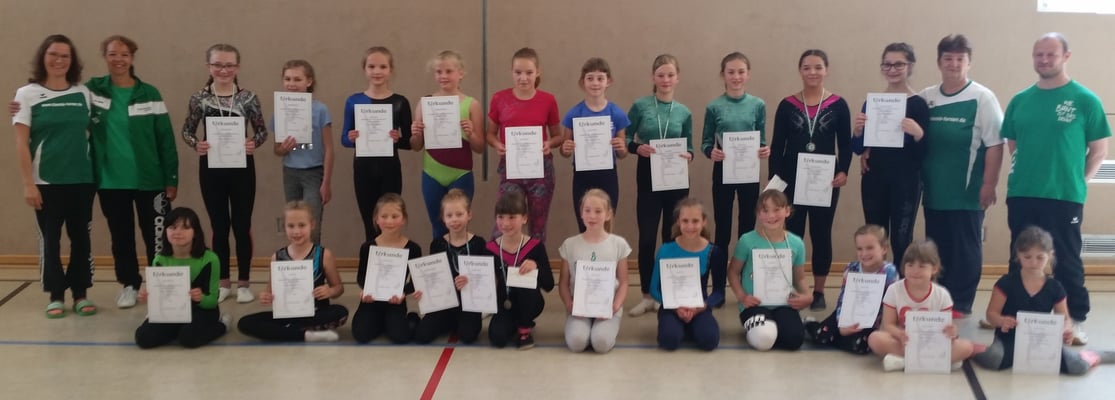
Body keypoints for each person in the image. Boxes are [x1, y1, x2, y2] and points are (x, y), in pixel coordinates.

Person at [9, 35, 179, 310]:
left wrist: (171, 177)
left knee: (157, 237)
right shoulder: (92, 91)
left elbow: (166, 138)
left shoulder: (148, 93)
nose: (119, 59)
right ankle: (129, 285)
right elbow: (51, 103)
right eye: (112, 54)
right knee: (121, 238)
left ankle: (162, 287)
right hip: (110, 181)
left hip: (150, 180)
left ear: (132, 58)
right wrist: (17, 106)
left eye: (124, 54)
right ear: (105, 57)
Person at [1000, 32, 1110, 345]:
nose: (1044, 60)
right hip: (1022, 193)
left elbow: (1099, 151)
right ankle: (1014, 317)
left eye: (1051, 54)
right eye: (1039, 55)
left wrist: (1079, 181)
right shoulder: (1020, 100)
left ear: (1066, 56)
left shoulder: (1085, 100)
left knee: (1066, 259)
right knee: (1019, 257)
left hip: (1064, 196)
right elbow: (1012, 141)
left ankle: (1073, 321)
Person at [918, 34, 1004, 318]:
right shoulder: (926, 97)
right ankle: (939, 300)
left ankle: (961, 304)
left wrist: (989, 184)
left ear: (969, 63)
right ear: (939, 62)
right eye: (948, 58)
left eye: (960, 59)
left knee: (965, 249)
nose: (954, 64)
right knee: (937, 248)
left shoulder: (982, 97)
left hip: (967, 192)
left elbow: (995, 144)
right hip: (933, 191)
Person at [13, 34, 97, 318]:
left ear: (72, 61)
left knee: (81, 239)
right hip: (45, 182)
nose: (59, 60)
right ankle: (56, 294)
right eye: (54, 54)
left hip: (82, 180)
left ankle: (81, 293)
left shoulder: (83, 93)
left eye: (65, 56)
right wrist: (28, 184)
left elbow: (90, 133)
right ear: (43, 57)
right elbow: (21, 143)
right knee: (51, 240)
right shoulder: (26, 94)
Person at [181, 43, 268, 304]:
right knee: (219, 227)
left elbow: (262, 131)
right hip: (211, 169)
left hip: (242, 169)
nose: (223, 70)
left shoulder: (248, 98)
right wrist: (197, 144)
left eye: (229, 65)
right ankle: (223, 282)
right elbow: (187, 130)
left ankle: (244, 283)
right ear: (209, 66)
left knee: (242, 226)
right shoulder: (199, 99)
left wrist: (253, 143)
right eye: (218, 64)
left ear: (237, 67)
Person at [770, 49, 852, 311]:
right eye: (807, 67)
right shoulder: (787, 105)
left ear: (826, 70)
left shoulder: (839, 104)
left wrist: (844, 171)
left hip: (824, 182)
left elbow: (846, 144)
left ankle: (818, 291)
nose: (812, 72)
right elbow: (777, 146)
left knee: (821, 233)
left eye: (818, 67)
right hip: (791, 181)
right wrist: (774, 184)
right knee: (791, 235)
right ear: (800, 71)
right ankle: (792, 287)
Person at [974, 227, 1115, 375]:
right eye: (1027, 257)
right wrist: (1001, 321)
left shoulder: (1055, 287)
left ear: (1050, 255)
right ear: (1018, 255)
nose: (1033, 262)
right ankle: (971, 348)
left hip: (1043, 341)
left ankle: (1094, 355)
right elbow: (991, 314)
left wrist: (1066, 330)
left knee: (1077, 366)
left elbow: (1065, 318)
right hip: (1009, 339)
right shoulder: (1006, 283)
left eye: (1040, 257)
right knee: (994, 359)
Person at [701, 52, 770, 308]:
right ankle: (718, 288)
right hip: (723, 172)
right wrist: (711, 152)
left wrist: (764, 150)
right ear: (723, 75)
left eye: (741, 72)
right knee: (722, 230)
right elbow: (705, 143)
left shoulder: (758, 105)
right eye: (731, 72)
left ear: (748, 74)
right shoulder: (714, 107)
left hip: (749, 173)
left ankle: (745, 287)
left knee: (747, 231)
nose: (736, 77)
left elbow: (761, 139)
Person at [627, 54, 695, 317]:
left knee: (672, 238)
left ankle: (667, 293)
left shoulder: (684, 112)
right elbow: (624, 138)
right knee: (647, 239)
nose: (665, 80)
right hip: (648, 177)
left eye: (670, 75)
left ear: (677, 78)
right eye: (660, 75)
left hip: (676, 179)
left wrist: (689, 154)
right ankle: (646, 294)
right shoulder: (640, 106)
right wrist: (637, 148)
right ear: (653, 78)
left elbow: (690, 146)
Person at [852, 43, 930, 268]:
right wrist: (858, 132)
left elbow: (925, 153)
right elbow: (858, 148)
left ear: (910, 66)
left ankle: (901, 286)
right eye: (887, 64)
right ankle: (875, 284)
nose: (892, 69)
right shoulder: (873, 103)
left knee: (901, 238)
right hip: (874, 178)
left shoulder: (918, 105)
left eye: (898, 64)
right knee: (874, 236)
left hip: (906, 181)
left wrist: (918, 133)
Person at [238, 201, 349, 342]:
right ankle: (306, 335)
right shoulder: (277, 257)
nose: (296, 231)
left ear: (312, 225)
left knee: (340, 312)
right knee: (245, 323)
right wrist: (266, 296)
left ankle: (285, 332)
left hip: (316, 312)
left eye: (302, 225)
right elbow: (269, 291)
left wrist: (330, 291)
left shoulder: (324, 255)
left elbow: (339, 288)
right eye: (291, 226)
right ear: (284, 227)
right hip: (286, 314)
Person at [485, 47, 562, 243]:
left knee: (537, 226)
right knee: (504, 223)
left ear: (538, 72)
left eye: (529, 72)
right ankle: (501, 263)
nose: (523, 78)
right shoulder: (499, 99)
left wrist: (548, 143)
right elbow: (489, 134)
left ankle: (535, 262)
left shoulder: (548, 100)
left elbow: (558, 137)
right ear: (511, 72)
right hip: (511, 168)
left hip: (541, 170)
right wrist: (497, 144)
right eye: (518, 72)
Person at [866, 240, 975, 372]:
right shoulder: (894, 290)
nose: (915, 271)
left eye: (922, 266)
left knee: (967, 347)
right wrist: (900, 334)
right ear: (904, 267)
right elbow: (888, 325)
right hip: (903, 342)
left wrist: (952, 332)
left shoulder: (942, 295)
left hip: (932, 343)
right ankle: (937, 361)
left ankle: (903, 362)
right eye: (910, 265)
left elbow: (947, 328)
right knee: (875, 339)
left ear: (934, 268)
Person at [410, 50, 485, 239]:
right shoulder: (425, 103)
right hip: (432, 174)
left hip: (460, 174)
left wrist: (471, 133)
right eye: (439, 72)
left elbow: (480, 147)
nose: (443, 76)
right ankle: (440, 260)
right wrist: (416, 133)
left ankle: (460, 260)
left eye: (449, 71)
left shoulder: (471, 104)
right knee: (438, 228)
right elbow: (416, 146)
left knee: (459, 227)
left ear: (461, 73)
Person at [342, 46, 413, 242]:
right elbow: (344, 140)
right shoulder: (354, 101)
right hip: (363, 169)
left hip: (390, 170)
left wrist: (398, 139)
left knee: (391, 221)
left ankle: (391, 259)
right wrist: (351, 137)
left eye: (382, 66)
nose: (377, 71)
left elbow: (410, 142)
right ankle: (370, 261)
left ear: (391, 70)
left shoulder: (400, 102)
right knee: (370, 222)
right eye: (371, 66)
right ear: (364, 69)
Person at [728, 190, 811, 351]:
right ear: (758, 214)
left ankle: (784, 325)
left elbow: (799, 277)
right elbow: (732, 272)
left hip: (783, 303)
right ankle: (763, 327)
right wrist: (742, 296)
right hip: (754, 304)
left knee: (794, 340)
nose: (771, 216)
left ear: (787, 211)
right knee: (764, 340)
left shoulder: (796, 243)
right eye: (765, 211)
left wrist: (807, 296)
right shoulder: (747, 241)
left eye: (777, 210)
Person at [134, 207, 228, 348]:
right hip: (172, 311)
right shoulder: (159, 260)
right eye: (172, 227)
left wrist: (200, 298)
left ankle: (222, 325)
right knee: (144, 338)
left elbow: (212, 301)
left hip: (202, 310)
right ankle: (178, 329)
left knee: (189, 338)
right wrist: (150, 297)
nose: (177, 232)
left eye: (185, 228)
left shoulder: (210, 259)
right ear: (165, 231)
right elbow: (160, 298)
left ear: (195, 232)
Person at [558, 57, 630, 232]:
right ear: (582, 82)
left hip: (608, 174)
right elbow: (564, 150)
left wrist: (621, 148)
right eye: (590, 78)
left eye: (600, 78)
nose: (595, 83)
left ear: (608, 81)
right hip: (582, 175)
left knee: (606, 224)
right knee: (584, 224)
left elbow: (623, 153)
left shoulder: (617, 113)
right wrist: (565, 148)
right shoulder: (574, 113)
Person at [805, 224, 900, 354]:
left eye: (870, 248)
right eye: (860, 249)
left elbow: (892, 304)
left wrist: (885, 328)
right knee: (820, 336)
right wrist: (842, 322)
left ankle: (836, 338)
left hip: (870, 322)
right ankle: (810, 324)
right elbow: (842, 298)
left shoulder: (889, 272)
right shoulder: (851, 268)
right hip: (846, 314)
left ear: (884, 249)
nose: (864, 253)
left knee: (860, 346)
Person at [413, 189, 491, 344]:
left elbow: (485, 278)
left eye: (459, 214)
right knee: (422, 336)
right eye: (449, 215)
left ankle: (466, 320)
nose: (454, 219)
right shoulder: (437, 244)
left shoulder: (479, 243)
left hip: (468, 302)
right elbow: (432, 277)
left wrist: (470, 280)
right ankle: (437, 320)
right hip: (444, 302)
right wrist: (424, 291)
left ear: (469, 215)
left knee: (468, 336)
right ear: (443, 218)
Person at [558, 189, 631, 353]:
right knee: (576, 343)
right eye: (587, 210)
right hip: (579, 309)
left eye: (598, 211)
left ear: (608, 214)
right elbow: (563, 283)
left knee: (601, 343)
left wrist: (614, 306)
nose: (592, 216)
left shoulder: (618, 244)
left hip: (608, 308)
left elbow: (624, 282)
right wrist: (570, 304)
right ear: (581, 213)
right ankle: (583, 329)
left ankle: (601, 331)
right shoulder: (570, 245)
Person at [272, 60, 333, 244]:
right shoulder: (280, 109)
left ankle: (314, 261)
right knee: (293, 221)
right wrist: (283, 148)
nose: (292, 83)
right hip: (290, 172)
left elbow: (329, 148)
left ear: (309, 81)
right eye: (288, 79)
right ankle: (296, 261)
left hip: (314, 172)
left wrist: (326, 182)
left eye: (297, 79)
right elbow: (277, 149)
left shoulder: (320, 110)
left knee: (312, 223)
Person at [650, 198, 722, 351]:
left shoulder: (713, 252)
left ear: (704, 222)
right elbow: (654, 289)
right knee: (669, 341)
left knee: (710, 341)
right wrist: (675, 308)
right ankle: (679, 327)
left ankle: (691, 327)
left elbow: (719, 292)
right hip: (672, 308)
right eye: (685, 221)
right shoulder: (665, 250)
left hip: (699, 307)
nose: (690, 226)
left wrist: (703, 306)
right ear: (678, 222)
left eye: (695, 221)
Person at [485, 190, 555, 349]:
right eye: (500, 217)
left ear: (524, 218)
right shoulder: (490, 249)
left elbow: (549, 284)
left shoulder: (536, 247)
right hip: (505, 304)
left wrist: (536, 267)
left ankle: (525, 329)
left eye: (512, 217)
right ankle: (516, 323)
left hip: (531, 302)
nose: (505, 223)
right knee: (497, 338)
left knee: (525, 284)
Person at [352, 193, 421, 344]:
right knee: (361, 335)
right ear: (376, 219)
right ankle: (383, 322)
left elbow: (416, 281)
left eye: (395, 216)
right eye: (384, 216)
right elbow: (361, 276)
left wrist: (403, 292)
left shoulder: (413, 248)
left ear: (403, 219)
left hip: (395, 300)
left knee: (401, 337)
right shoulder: (368, 247)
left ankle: (411, 317)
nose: (389, 221)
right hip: (372, 300)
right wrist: (366, 290)